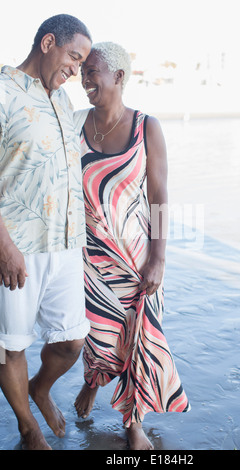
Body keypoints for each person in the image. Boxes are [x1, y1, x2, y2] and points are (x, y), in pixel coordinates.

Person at [74, 42, 190, 450]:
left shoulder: (146, 126)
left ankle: (133, 421)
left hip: (137, 257)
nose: (84, 79)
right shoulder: (75, 125)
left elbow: (159, 196)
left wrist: (158, 258)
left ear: (118, 77)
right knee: (97, 336)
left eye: (93, 72)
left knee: (139, 336)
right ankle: (92, 381)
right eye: (83, 71)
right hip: (89, 259)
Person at [0, 14, 92, 450]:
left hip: (67, 245)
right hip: (16, 246)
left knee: (73, 341)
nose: (77, 69)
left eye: (82, 62)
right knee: (11, 346)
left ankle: (40, 388)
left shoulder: (63, 102)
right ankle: (27, 427)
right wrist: (3, 245)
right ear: (48, 42)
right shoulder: (2, 90)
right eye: (74, 57)